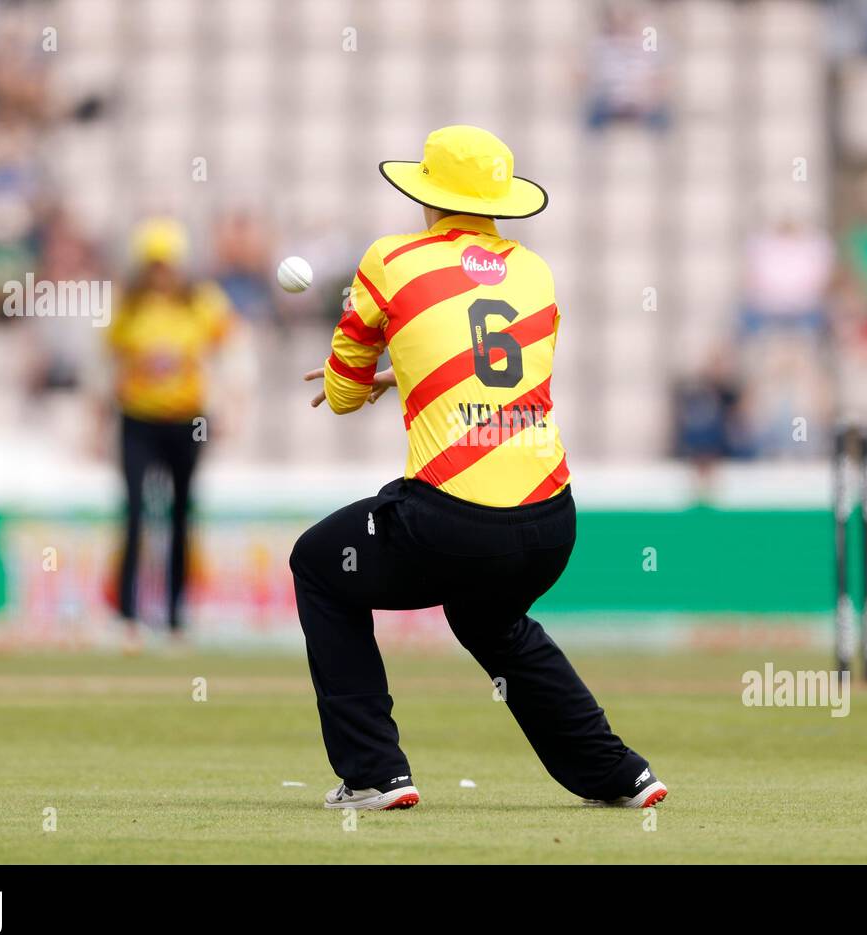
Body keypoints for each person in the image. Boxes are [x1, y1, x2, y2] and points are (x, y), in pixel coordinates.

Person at [291, 125, 666, 811]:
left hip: (451, 521)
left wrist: (370, 376)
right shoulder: (534, 270)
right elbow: (492, 370)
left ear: (428, 196)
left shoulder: (389, 260)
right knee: (490, 618)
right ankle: (620, 776)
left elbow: (340, 398)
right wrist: (401, 377)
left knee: (318, 563)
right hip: (549, 522)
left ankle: (376, 774)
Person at [105, 218, 237, 646]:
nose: (161, 273)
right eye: (154, 265)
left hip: (187, 421)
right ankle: (128, 615)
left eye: (167, 265)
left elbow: (232, 352)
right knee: (136, 513)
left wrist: (231, 405)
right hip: (138, 419)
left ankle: (177, 616)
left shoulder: (203, 303)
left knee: (182, 513)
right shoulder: (128, 307)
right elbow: (109, 363)